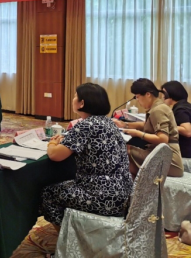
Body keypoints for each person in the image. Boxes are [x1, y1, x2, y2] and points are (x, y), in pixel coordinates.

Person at [40, 83, 133, 230]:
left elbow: (55, 155)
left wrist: (52, 143)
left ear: (82, 103)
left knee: (49, 193)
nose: (73, 99)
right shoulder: (109, 123)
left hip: (102, 196)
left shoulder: (85, 125)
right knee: (65, 185)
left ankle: (67, 239)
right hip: (124, 194)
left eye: (75, 96)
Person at [114, 78, 183, 178]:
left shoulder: (158, 110)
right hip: (162, 154)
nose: (138, 101)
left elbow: (163, 139)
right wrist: (124, 125)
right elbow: (147, 125)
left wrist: (137, 133)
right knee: (126, 156)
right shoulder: (157, 107)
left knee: (125, 151)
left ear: (148, 94)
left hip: (169, 160)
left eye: (138, 97)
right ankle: (131, 185)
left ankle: (129, 186)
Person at [161, 81, 191, 159]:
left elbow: (187, 131)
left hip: (186, 157)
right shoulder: (186, 105)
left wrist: (164, 125)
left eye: (164, 94)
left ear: (171, 94)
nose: (162, 97)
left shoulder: (180, 109)